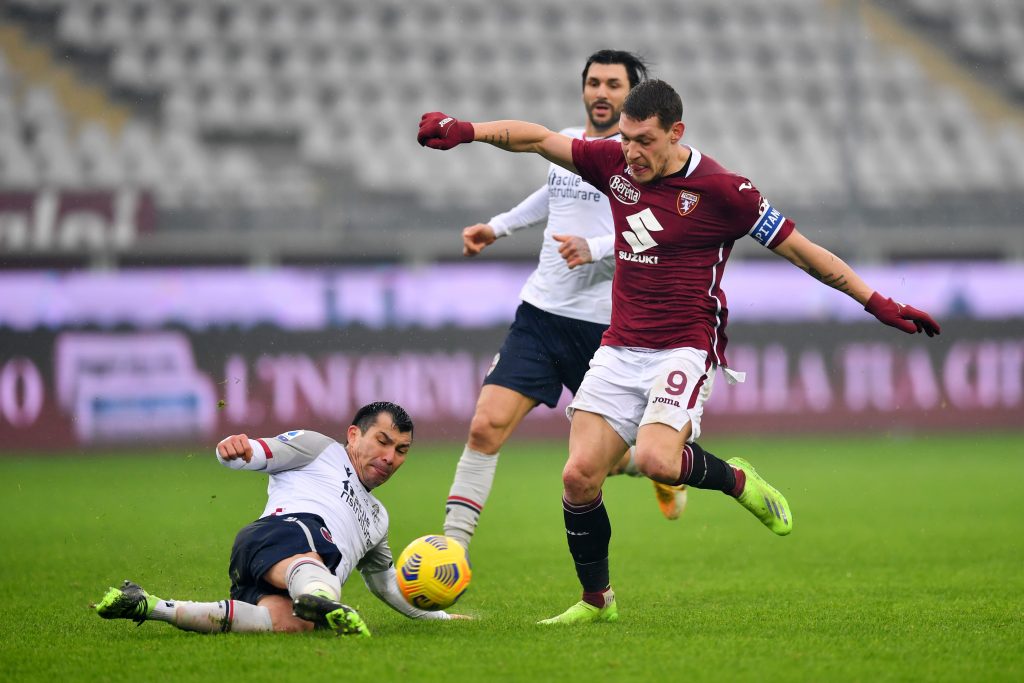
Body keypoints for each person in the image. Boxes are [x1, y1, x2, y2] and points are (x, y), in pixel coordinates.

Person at [417, 79, 940, 624]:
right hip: (619, 345)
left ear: (676, 132)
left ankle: (738, 480)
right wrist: (466, 131)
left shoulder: (725, 191)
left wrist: (875, 301)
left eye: (644, 140)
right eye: (625, 138)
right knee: (578, 478)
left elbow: (803, 254)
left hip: (685, 345)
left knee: (657, 460)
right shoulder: (613, 164)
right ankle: (598, 601)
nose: (632, 152)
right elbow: (539, 140)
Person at [444, 50, 690, 553]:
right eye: (593, 82)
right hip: (540, 314)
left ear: (634, 99)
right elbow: (553, 193)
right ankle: (450, 554)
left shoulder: (647, 166)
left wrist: (594, 247)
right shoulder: (571, 146)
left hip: (606, 330)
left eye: (613, 85)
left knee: (607, 460)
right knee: (485, 426)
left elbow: (658, 235)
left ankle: (655, 470)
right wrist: (497, 227)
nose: (601, 93)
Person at [94, 401, 463, 637]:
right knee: (317, 552)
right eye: (382, 441)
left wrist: (441, 619)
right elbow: (251, 452)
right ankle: (319, 597)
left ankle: (150, 605)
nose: (390, 457)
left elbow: (387, 587)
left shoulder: (378, 519)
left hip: (280, 568)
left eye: (401, 450)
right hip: (279, 535)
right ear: (354, 434)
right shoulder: (318, 448)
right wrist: (233, 449)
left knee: (288, 625)